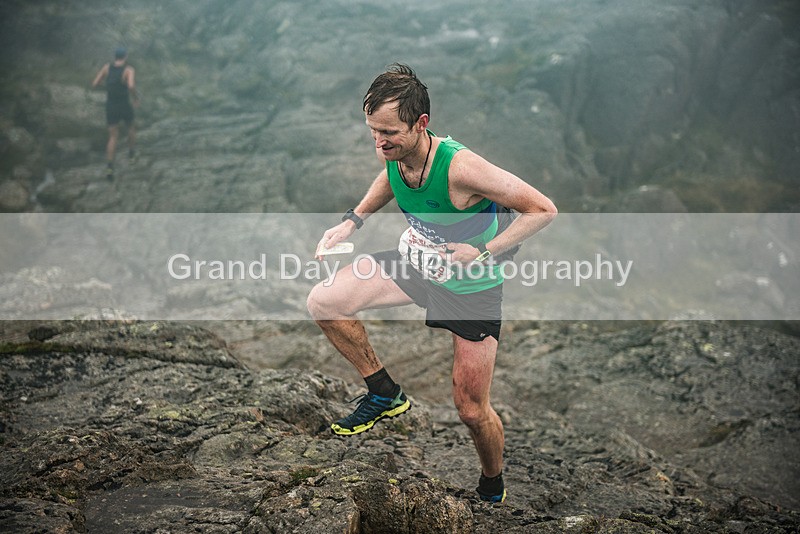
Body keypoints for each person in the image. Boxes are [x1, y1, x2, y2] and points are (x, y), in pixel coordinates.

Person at [306, 64, 557, 503]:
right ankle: (384, 394)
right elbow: (391, 176)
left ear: (421, 124)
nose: (379, 142)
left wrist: (483, 252)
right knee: (324, 302)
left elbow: (543, 209)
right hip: (418, 262)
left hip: (471, 286)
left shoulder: (462, 168)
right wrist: (352, 221)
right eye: (372, 131)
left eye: (389, 132)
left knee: (471, 411)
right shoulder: (395, 152)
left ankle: (492, 484)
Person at [92, 46, 139, 180]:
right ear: (125, 56)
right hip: (124, 104)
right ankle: (131, 155)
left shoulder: (107, 67)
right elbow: (131, 85)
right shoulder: (129, 70)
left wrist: (108, 87)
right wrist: (136, 98)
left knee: (113, 136)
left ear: (115, 56)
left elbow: (95, 83)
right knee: (131, 127)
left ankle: (110, 168)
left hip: (111, 105)